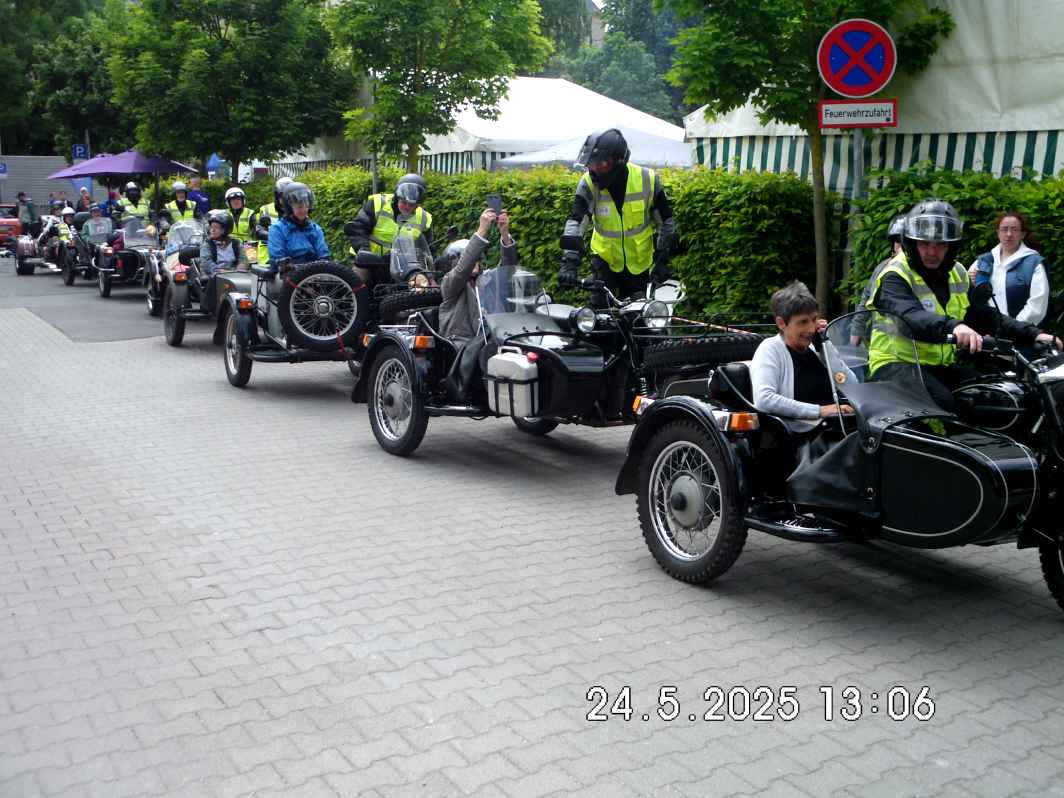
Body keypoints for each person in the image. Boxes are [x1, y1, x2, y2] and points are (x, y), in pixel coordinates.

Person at [867, 199, 1060, 411]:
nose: (932, 252)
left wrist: (1034, 334)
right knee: (942, 405)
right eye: (925, 243)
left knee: (997, 397)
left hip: (939, 366)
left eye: (941, 244)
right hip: (894, 364)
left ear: (951, 246)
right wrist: (955, 326)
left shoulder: (957, 272)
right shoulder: (894, 275)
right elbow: (910, 315)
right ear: (912, 243)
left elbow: (984, 315)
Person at [558, 128, 677, 303]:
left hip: (639, 263)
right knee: (600, 316)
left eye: (601, 164)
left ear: (618, 160)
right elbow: (576, 221)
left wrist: (662, 260)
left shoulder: (648, 179)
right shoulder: (589, 182)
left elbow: (666, 222)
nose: (594, 169)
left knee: (640, 320)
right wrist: (570, 261)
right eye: (591, 164)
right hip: (605, 261)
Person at [751, 281, 855, 435]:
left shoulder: (816, 348)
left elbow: (851, 385)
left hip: (836, 428)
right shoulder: (770, 349)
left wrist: (825, 345)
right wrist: (821, 411)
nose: (811, 328)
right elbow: (764, 400)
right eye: (803, 322)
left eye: (814, 320)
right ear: (781, 323)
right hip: (804, 436)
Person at [439, 206, 518, 399]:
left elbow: (508, 269)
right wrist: (482, 230)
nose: (474, 263)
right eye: (468, 260)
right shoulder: (450, 284)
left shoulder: (487, 280)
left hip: (491, 339)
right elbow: (462, 269)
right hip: (461, 345)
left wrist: (505, 234)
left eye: (477, 260)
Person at [346, 173, 433, 282]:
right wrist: (364, 250)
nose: (407, 206)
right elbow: (358, 228)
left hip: (403, 266)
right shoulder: (378, 203)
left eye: (411, 205)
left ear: (418, 204)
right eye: (403, 202)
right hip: (368, 261)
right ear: (397, 198)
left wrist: (429, 272)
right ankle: (353, 298)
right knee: (359, 282)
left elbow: (428, 248)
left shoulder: (424, 218)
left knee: (420, 287)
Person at [967, 211, 1050, 325]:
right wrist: (971, 283)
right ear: (998, 233)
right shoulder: (983, 261)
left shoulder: (1034, 264)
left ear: (1023, 234)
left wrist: (1014, 328)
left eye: (1015, 229)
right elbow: (967, 297)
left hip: (1021, 335)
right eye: (1004, 229)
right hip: (986, 334)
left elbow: (1037, 306)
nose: (1009, 234)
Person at [850, 213, 906, 345]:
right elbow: (865, 300)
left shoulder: (923, 271)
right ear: (892, 244)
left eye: (906, 242)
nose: (902, 247)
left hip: (913, 348)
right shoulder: (882, 268)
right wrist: (856, 332)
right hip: (882, 348)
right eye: (898, 242)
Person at [266, 182, 330, 267]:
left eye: (306, 206)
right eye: (299, 207)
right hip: (288, 274)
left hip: (314, 274)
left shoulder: (315, 229)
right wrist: (287, 265)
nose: (303, 210)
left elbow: (323, 255)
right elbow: (277, 257)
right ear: (289, 208)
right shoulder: (277, 229)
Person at [250, 176, 292, 267]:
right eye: (282, 195)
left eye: (288, 196)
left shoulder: (296, 209)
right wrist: (274, 236)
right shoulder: (266, 209)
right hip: (268, 255)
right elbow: (258, 231)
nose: (285, 199)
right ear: (277, 195)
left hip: (291, 254)